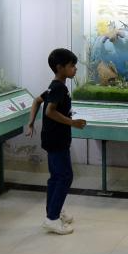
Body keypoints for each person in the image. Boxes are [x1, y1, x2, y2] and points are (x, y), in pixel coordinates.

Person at [40, 48, 87, 235]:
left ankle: (53, 212)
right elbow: (50, 111)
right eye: (72, 65)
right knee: (65, 177)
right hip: (57, 139)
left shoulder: (55, 86)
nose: (75, 69)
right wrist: (72, 123)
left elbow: (39, 102)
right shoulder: (59, 87)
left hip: (52, 138)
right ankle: (52, 219)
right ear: (60, 67)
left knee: (56, 177)